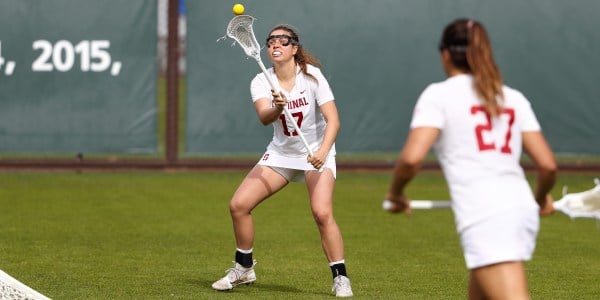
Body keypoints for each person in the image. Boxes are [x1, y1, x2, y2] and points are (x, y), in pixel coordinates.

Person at [384, 19, 557, 300]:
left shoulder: (438, 95)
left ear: (446, 54)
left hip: (484, 214)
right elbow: (548, 166)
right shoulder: (512, 97)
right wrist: (539, 198)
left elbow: (410, 160)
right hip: (519, 210)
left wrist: (396, 194)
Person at [212, 24, 353, 297]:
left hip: (316, 151)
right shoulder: (261, 81)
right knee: (239, 205)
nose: (276, 45)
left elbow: (333, 120)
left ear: (294, 48)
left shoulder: (312, 76)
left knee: (322, 213)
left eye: (283, 41)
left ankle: (340, 277)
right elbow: (265, 118)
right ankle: (244, 268)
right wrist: (277, 106)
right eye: (271, 41)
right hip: (282, 154)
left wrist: (323, 151)